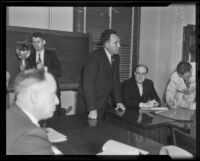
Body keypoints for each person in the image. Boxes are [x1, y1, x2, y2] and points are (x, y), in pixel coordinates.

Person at [6, 69, 62, 155]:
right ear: (35, 97)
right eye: (52, 94)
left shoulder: (9, 115)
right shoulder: (31, 135)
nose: (57, 101)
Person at [78, 29, 126, 119]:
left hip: (104, 100)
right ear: (107, 44)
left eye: (119, 42)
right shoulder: (94, 57)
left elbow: (115, 80)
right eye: (116, 43)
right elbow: (88, 83)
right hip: (89, 102)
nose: (119, 45)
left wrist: (118, 101)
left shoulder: (116, 57)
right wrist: (92, 109)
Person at [22, 32, 65, 115]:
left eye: (38, 42)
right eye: (34, 42)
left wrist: (44, 68)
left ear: (44, 42)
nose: (36, 44)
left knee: (55, 122)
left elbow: (59, 71)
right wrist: (24, 71)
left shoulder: (52, 55)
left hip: (52, 94)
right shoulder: (29, 57)